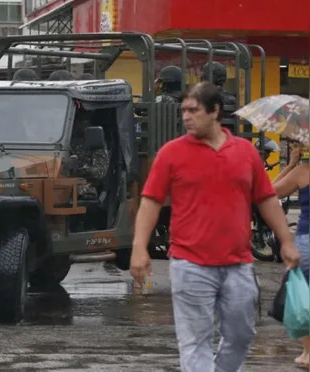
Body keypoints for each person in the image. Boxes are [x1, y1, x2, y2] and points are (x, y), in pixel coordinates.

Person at [129, 82, 301, 372]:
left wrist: (286, 241)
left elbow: (267, 199)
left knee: (241, 335)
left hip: (238, 265)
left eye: (193, 110)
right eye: (183, 110)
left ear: (215, 111)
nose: (186, 116)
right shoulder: (171, 153)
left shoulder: (245, 153)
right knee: (195, 341)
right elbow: (150, 202)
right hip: (189, 264)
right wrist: (138, 248)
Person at [270, 142, 309, 368]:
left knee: (304, 297)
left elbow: (269, 193)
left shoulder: (303, 172)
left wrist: (292, 164)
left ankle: (308, 352)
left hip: (307, 243)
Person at [69, 112, 109, 200]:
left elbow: (100, 172)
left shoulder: (95, 140)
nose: (80, 125)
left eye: (84, 122)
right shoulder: (64, 139)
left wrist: (85, 169)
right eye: (78, 121)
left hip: (85, 182)